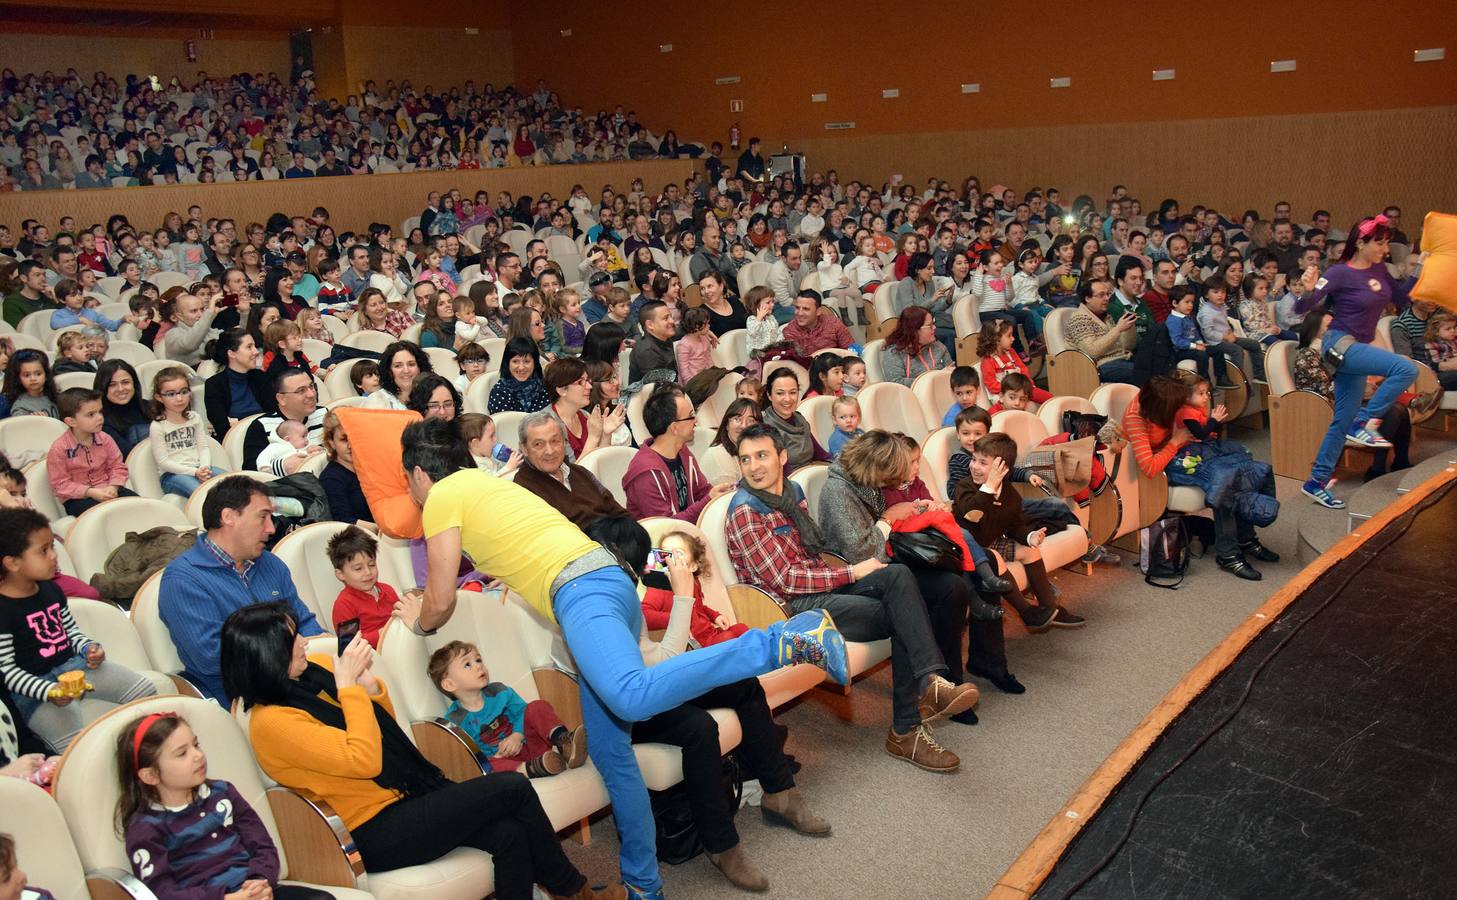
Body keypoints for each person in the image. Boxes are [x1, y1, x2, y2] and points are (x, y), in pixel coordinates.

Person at [398, 416, 847, 898]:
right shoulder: (489, 485)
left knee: (632, 698)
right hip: (608, 584)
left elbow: (440, 601)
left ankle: (785, 640)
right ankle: (643, 884)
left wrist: (415, 620)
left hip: (580, 592)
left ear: (420, 473)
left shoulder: (443, 495)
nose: (411, 491)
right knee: (615, 758)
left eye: (408, 481)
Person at [221, 603, 619, 900]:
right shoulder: (270, 722)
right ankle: (571, 889)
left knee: (509, 833)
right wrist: (348, 689)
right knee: (510, 789)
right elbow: (365, 759)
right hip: (374, 830)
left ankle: (565, 890)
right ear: (268, 655)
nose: (305, 641)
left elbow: (382, 727)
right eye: (293, 639)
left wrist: (367, 688)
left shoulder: (311, 679)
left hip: (407, 798)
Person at [586, 516, 829, 893]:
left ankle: (781, 794)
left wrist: (671, 588)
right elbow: (661, 668)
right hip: (617, 710)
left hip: (649, 684)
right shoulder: (591, 607)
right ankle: (722, 845)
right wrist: (682, 595)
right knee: (698, 727)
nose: (639, 572)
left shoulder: (628, 590)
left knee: (741, 685)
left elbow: (657, 662)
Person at [725, 425, 979, 771]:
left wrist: (847, 572)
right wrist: (851, 573)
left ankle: (930, 682)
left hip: (823, 583)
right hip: (793, 607)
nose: (754, 466)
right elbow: (786, 580)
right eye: (745, 459)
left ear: (782, 457)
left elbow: (811, 554)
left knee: (898, 575)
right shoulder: (746, 511)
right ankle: (907, 727)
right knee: (904, 612)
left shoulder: (791, 490)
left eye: (762, 455)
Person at [116, 711, 328, 900]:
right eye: (182, 753)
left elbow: (261, 844)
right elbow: (162, 893)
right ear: (150, 775)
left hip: (254, 890)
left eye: (196, 745)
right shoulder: (146, 828)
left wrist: (260, 880)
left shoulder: (222, 793)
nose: (198, 755)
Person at [0, 507, 157, 752]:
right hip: (34, 688)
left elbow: (69, 632)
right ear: (12, 563)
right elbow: (6, 671)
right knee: (76, 749)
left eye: (52, 546)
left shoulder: (51, 590)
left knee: (146, 691)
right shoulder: (3, 609)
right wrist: (47, 690)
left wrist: (87, 648)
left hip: (74, 668)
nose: (53, 556)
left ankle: (141, 752)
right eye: (43, 551)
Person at [1292, 215, 1421, 508]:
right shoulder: (1339, 273)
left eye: (1387, 242)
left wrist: (1420, 268)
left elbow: (1401, 298)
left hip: (1357, 348)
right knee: (1405, 368)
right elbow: (1302, 308)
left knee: (1340, 421)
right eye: (1379, 242)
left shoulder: (1379, 269)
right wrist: (1308, 287)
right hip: (1338, 344)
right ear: (1361, 243)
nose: (1385, 249)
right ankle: (1364, 421)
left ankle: (1316, 482)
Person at [159, 476, 325, 701]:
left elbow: (304, 622)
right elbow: (211, 658)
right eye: (262, 517)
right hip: (244, 699)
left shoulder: (270, 563)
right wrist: (290, 650)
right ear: (228, 517)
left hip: (298, 680)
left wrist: (324, 650)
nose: (271, 528)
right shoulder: (183, 580)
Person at [1123, 376, 1279, 579]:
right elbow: (1149, 468)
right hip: (1162, 467)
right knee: (1222, 481)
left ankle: (1245, 539)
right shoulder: (1137, 419)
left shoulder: (1163, 394)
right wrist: (1175, 442)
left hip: (1186, 450)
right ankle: (1229, 553)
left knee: (1238, 466)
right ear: (1163, 408)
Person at [428, 640, 587, 777]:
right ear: (449, 684)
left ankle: (564, 742)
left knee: (536, 707)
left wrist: (517, 735)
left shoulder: (499, 691)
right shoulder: (455, 721)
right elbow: (467, 758)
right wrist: (496, 756)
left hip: (529, 746)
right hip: (504, 762)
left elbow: (523, 714)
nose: (479, 667)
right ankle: (535, 768)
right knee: (486, 767)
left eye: (478, 660)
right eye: (467, 664)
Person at [1293, 310, 1411, 481]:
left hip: (1349, 399)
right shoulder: (1307, 354)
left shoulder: (1337, 351)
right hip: (1327, 406)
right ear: (1315, 330)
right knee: (1393, 412)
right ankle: (1376, 469)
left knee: (1399, 409)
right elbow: (1322, 387)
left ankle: (1400, 461)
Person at [623, 385, 731, 522]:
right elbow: (667, 526)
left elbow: (702, 491)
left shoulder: (681, 451)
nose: (696, 421)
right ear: (674, 428)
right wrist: (709, 499)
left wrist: (718, 494)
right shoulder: (646, 473)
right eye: (691, 416)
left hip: (689, 532)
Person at [512, 413, 626, 529]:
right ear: (524, 449)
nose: (549, 451)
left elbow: (619, 513)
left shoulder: (580, 472)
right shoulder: (522, 490)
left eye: (555, 441)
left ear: (565, 442)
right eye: (538, 444)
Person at [640, 530, 749, 648]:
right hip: (694, 645)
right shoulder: (659, 588)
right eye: (666, 553)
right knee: (729, 638)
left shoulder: (694, 582)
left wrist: (715, 616)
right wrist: (674, 618)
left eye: (679, 553)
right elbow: (644, 615)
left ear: (693, 566)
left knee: (742, 629)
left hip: (709, 634)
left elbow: (699, 607)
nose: (671, 559)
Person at [46, 388, 135, 516]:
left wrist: (113, 486)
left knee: (141, 507)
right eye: (91, 414)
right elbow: (61, 484)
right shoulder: (59, 449)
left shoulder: (105, 439)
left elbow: (118, 467)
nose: (100, 418)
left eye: (100, 412)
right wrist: (91, 492)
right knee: (105, 516)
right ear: (71, 421)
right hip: (79, 499)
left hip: (109, 489)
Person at [327, 526, 415, 649]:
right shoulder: (344, 605)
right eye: (358, 568)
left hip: (400, 648)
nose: (368, 572)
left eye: (372, 565)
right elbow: (349, 645)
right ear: (340, 574)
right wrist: (383, 633)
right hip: (372, 661)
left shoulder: (388, 590)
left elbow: (401, 621)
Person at [149, 367, 224, 498]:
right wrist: (194, 472)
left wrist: (204, 467)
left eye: (184, 392)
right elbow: (163, 462)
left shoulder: (194, 417)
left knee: (234, 482)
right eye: (171, 394)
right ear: (159, 397)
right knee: (203, 492)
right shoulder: (157, 426)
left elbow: (203, 447)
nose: (179, 398)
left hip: (200, 468)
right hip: (172, 475)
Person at [241, 369, 326, 476]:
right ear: (281, 398)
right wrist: (283, 466)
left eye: (311, 386)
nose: (311, 394)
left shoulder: (324, 414)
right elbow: (251, 473)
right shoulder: (261, 426)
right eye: (301, 391)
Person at [1064, 278, 1138, 384]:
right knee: (1141, 371)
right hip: (1098, 366)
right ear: (1088, 298)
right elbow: (1092, 351)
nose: (1107, 298)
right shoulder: (1079, 318)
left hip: (1121, 359)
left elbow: (1127, 346)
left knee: (1153, 364)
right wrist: (1118, 329)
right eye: (1101, 295)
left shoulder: (1106, 317)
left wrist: (1129, 328)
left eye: (1108, 294)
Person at [203, 329, 272, 440]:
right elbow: (222, 428)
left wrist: (238, 422)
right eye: (249, 347)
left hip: (268, 436)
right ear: (232, 353)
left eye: (254, 346)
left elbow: (273, 414)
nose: (256, 352)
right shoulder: (214, 385)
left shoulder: (260, 377)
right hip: (236, 442)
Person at [761, 367, 831, 470]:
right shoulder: (764, 428)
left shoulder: (800, 420)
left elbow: (821, 455)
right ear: (769, 395)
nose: (788, 399)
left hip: (810, 477)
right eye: (780, 393)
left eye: (793, 392)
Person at [319, 411, 373, 525]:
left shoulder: (373, 465)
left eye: (355, 437)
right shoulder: (331, 479)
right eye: (344, 439)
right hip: (363, 537)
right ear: (332, 443)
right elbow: (344, 521)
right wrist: (381, 529)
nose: (351, 445)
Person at [881, 306, 953, 387]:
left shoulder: (938, 346)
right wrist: (935, 377)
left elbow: (951, 372)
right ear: (914, 330)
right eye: (930, 325)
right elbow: (897, 383)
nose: (934, 327)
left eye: (933, 323)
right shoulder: (894, 352)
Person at [95, 360, 151, 458]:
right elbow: (130, 457)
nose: (120, 389)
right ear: (102, 388)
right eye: (112, 385)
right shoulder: (100, 420)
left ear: (134, 383)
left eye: (125, 382)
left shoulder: (150, 407)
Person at [488, 338, 552, 414]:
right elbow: (506, 425)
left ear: (535, 363)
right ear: (507, 363)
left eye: (526, 361)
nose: (521, 367)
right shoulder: (499, 393)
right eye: (515, 361)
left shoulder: (544, 387)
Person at [782, 290, 853, 356]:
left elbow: (851, 350)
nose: (800, 313)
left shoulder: (833, 324)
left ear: (818, 311)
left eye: (806, 309)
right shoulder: (790, 332)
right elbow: (795, 364)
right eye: (797, 308)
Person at [627, 301, 678, 384]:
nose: (672, 321)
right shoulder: (647, 350)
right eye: (666, 318)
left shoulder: (665, 338)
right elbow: (658, 388)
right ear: (650, 324)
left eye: (671, 317)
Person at [4, 349, 59, 419]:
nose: (33, 378)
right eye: (27, 375)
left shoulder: (55, 396)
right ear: (18, 379)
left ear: (46, 375)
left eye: (38, 374)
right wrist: (32, 420)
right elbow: (20, 425)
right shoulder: (20, 405)